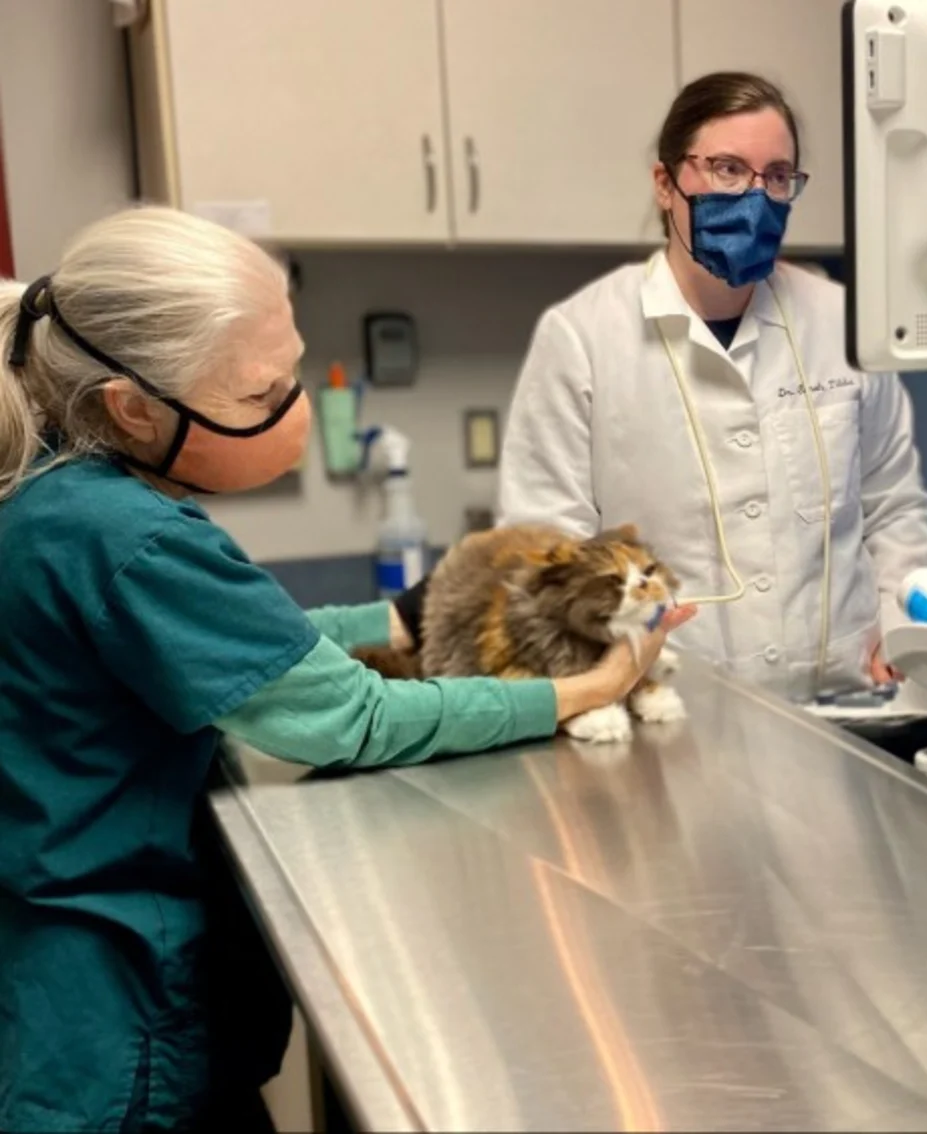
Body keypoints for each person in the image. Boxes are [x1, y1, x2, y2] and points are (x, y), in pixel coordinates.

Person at [0, 207, 693, 1132]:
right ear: (133, 408)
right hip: (117, 1028)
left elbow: (240, 643)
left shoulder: (55, 489)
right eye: (261, 394)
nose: (293, 408)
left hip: (56, 992)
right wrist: (587, 690)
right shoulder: (125, 535)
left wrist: (396, 618)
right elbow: (352, 718)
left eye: (293, 371)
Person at [492, 72, 927, 703]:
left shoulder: (841, 322)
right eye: (727, 169)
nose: (754, 196)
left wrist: (897, 621)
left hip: (846, 707)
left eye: (776, 176)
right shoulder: (584, 337)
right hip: (675, 714)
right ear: (665, 184)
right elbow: (546, 547)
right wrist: (602, 678)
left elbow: (893, 505)